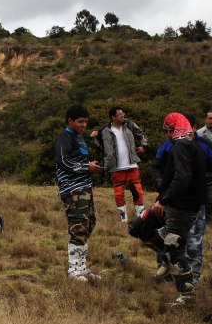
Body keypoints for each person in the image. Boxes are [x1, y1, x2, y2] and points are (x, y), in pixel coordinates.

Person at [149, 113, 206, 305]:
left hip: (182, 206)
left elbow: (182, 177)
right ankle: (166, 260)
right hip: (189, 205)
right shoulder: (195, 146)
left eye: (167, 131)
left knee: (175, 249)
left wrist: (164, 199)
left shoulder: (181, 146)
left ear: (173, 130)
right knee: (164, 240)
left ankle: (187, 295)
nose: (167, 135)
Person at [54, 105, 104, 281]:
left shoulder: (80, 138)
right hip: (72, 188)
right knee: (78, 227)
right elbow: (63, 162)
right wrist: (86, 167)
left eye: (86, 122)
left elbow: (79, 160)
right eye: (80, 122)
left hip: (85, 187)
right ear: (70, 121)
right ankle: (73, 270)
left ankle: (82, 267)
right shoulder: (64, 136)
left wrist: (92, 165)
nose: (83, 125)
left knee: (89, 223)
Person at [90, 106, 148, 222]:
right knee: (118, 194)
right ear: (113, 117)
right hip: (115, 166)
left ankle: (140, 218)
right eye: (120, 114)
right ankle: (123, 220)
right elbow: (99, 146)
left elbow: (141, 134)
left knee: (138, 191)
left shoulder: (130, 124)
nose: (123, 115)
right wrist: (92, 138)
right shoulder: (104, 130)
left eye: (123, 113)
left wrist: (144, 146)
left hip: (132, 164)